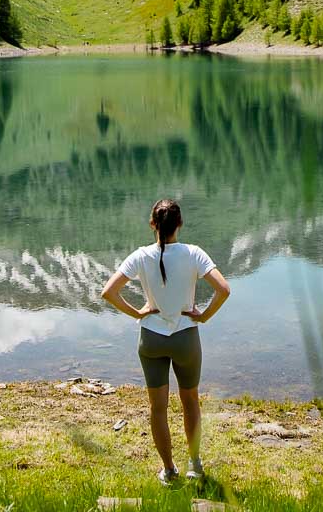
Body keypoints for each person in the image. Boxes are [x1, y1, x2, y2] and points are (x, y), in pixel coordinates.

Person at [101, 199, 231, 485]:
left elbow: (108, 292)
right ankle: (195, 465)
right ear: (180, 224)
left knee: (157, 408)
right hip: (186, 337)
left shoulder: (140, 256)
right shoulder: (194, 253)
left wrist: (138, 312)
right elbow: (223, 289)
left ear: (152, 225)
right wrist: (204, 316)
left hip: (151, 340)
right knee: (190, 402)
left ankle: (169, 470)